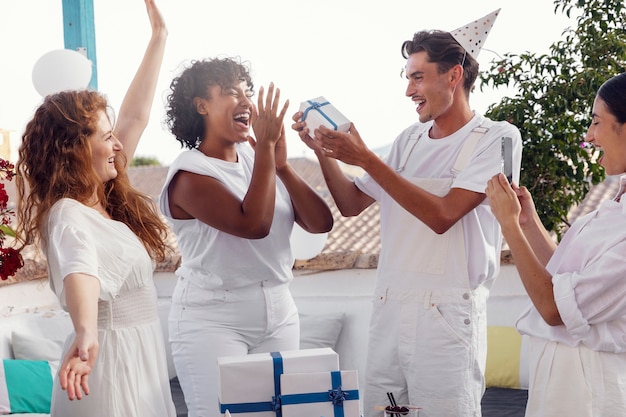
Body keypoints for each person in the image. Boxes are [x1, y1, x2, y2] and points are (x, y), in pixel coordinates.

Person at [292, 10, 522, 417]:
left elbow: (443, 216)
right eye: (407, 77)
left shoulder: (497, 138)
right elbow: (350, 204)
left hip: (448, 315)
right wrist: (323, 151)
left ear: (453, 76)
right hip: (390, 305)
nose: (408, 90)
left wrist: (366, 158)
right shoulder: (408, 141)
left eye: (417, 77)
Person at [14, 1, 175, 416]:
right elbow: (79, 270)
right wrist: (86, 334)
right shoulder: (68, 214)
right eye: (107, 135)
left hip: (138, 354)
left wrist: (159, 36)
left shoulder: (102, 199)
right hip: (111, 362)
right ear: (75, 148)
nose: (119, 145)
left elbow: (136, 116)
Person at [159, 57, 334, 417]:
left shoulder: (259, 158)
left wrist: (281, 165)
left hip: (279, 311)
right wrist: (268, 151)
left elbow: (320, 222)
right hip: (212, 319)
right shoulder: (189, 174)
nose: (245, 101)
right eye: (229, 92)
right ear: (201, 105)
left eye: (246, 91)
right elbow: (253, 225)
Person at [485, 73, 626, 416]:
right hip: (562, 377)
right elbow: (562, 277)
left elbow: (554, 307)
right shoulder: (614, 206)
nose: (589, 136)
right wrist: (527, 221)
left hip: (590, 386)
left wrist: (508, 226)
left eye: (596, 122)